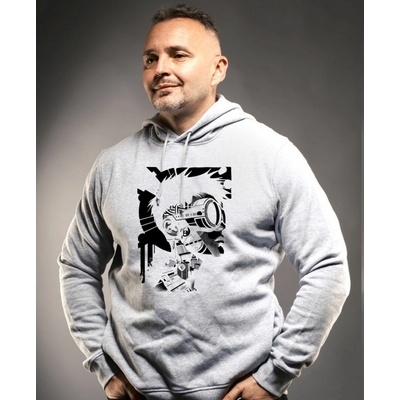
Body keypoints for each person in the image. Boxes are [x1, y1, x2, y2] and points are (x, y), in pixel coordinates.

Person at [58, 4, 351, 400]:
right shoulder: (112, 166)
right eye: (150, 59)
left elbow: (328, 267)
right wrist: (102, 364)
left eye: (178, 55)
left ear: (218, 69)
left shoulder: (271, 155)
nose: (160, 68)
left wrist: (276, 373)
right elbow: (76, 266)